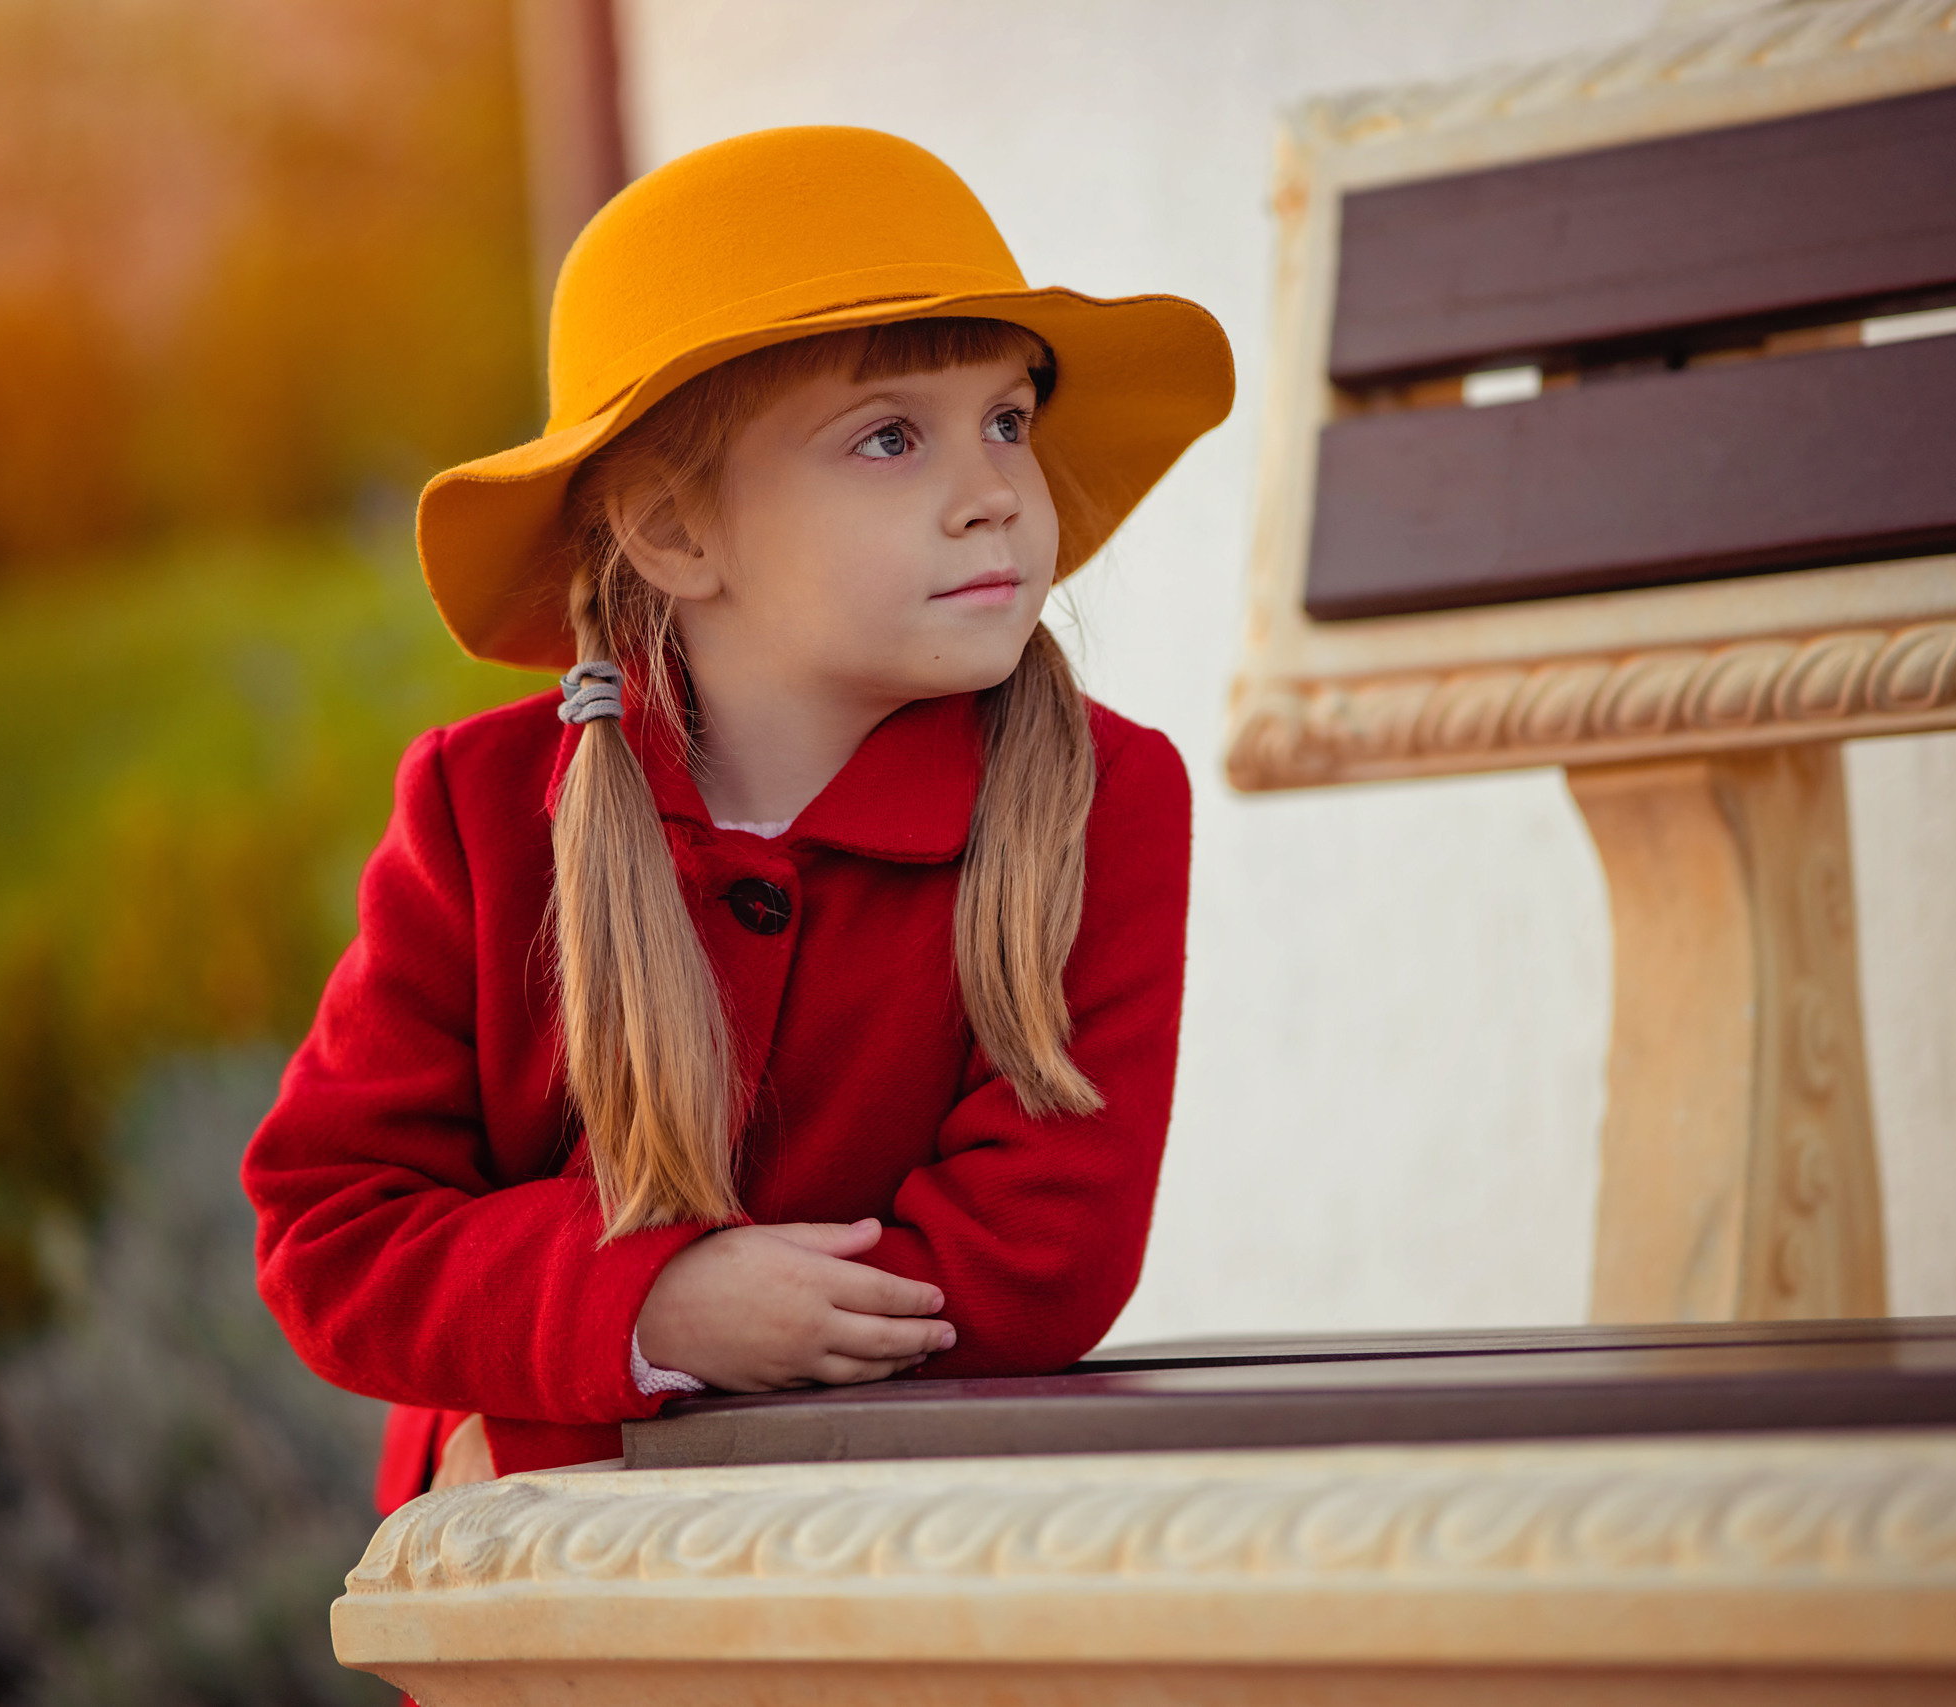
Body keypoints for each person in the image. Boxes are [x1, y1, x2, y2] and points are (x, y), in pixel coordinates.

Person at [241, 125, 1233, 1511]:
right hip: (543, 1605)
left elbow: (1035, 1260)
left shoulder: (1099, 804)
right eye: (891, 436)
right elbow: (336, 1233)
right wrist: (653, 1309)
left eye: (1008, 419)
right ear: (674, 534)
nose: (996, 493)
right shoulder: (481, 817)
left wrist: (565, 1431)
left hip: (880, 1557)